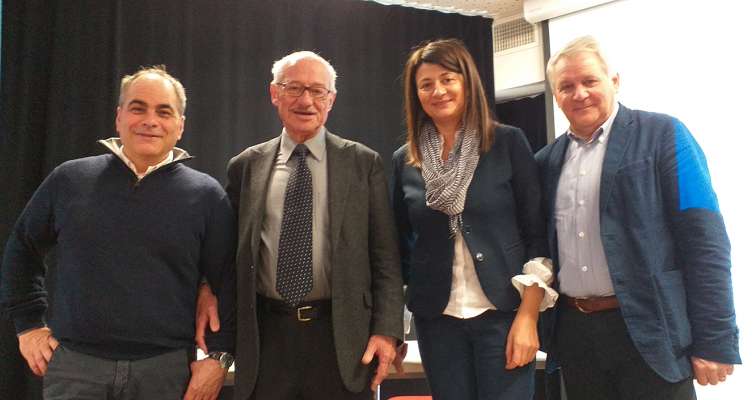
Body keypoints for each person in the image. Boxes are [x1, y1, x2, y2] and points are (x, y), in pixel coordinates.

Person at [0, 66, 237, 400]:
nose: (150, 120)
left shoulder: (207, 196)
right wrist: (28, 326)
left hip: (166, 372)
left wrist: (218, 357)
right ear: (119, 117)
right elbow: (22, 249)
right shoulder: (68, 180)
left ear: (180, 125)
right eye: (138, 108)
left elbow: (228, 281)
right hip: (76, 369)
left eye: (164, 111)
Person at [536, 35, 741, 399]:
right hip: (576, 336)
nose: (579, 93)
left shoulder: (664, 135)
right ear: (555, 95)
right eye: (566, 86)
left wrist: (715, 340)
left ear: (614, 81)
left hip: (651, 331)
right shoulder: (546, 162)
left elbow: (705, 241)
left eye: (589, 81)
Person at [198, 51, 404, 400]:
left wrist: (386, 330)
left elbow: (385, 257)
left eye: (317, 91)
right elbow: (225, 252)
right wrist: (206, 285)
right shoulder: (245, 166)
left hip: (342, 339)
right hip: (266, 340)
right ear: (274, 93)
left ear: (331, 100)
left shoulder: (363, 163)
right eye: (294, 88)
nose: (306, 100)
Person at [392, 38, 557, 400]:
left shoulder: (507, 143)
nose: (438, 90)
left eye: (448, 79)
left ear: (467, 81)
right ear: (415, 93)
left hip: (504, 316)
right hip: (438, 323)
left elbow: (537, 235)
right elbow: (398, 250)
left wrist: (528, 317)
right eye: (426, 84)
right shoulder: (406, 160)